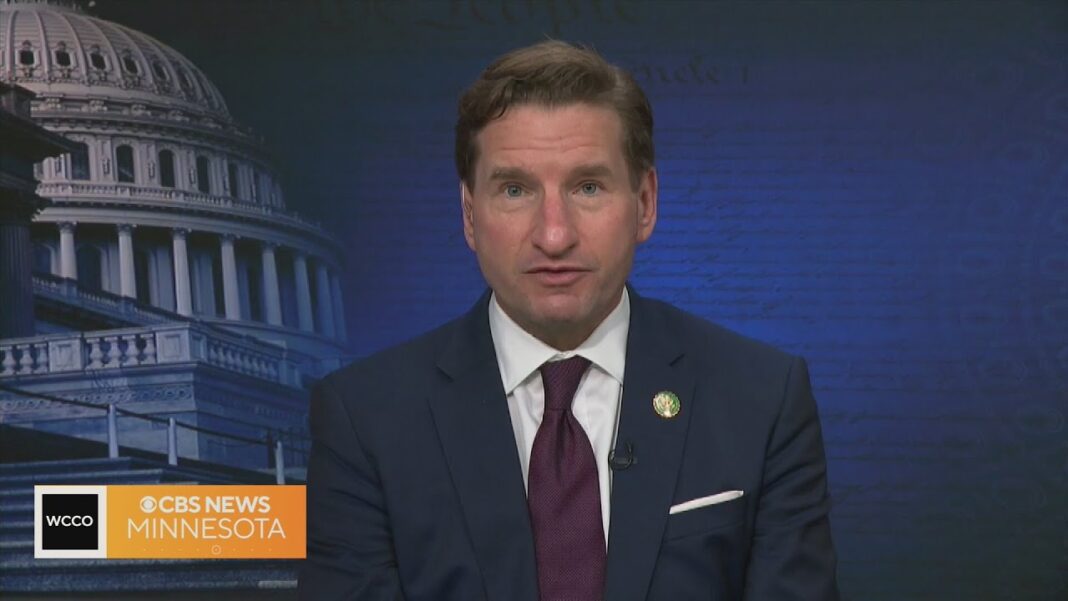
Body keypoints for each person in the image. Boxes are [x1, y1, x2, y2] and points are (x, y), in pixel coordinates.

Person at [299, 40, 840, 600]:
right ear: (469, 215)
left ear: (646, 202)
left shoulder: (763, 399)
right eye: (515, 190)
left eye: (588, 187)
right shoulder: (364, 420)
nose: (554, 235)